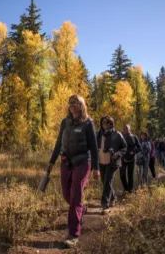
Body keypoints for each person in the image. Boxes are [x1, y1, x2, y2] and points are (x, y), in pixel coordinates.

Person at [47, 94, 100, 248]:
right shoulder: (65, 122)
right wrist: (51, 162)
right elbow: (58, 143)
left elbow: (94, 147)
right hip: (66, 162)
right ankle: (81, 209)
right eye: (70, 102)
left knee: (76, 194)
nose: (72, 105)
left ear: (81, 105)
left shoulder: (88, 123)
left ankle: (73, 234)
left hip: (83, 162)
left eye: (75, 102)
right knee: (66, 194)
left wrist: (96, 168)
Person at [97, 116, 127, 214]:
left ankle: (104, 205)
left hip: (113, 163)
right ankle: (113, 197)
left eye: (106, 122)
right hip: (101, 161)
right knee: (104, 181)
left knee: (107, 181)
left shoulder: (117, 134)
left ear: (111, 123)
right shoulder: (99, 134)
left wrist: (117, 154)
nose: (104, 124)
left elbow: (124, 147)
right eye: (103, 123)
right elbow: (94, 146)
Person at [120, 124, 141, 194]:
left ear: (130, 129)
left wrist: (134, 152)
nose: (126, 130)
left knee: (130, 175)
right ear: (123, 129)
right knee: (122, 175)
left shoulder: (134, 137)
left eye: (127, 128)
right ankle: (126, 189)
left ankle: (130, 190)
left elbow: (139, 147)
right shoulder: (121, 137)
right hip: (123, 159)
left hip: (132, 159)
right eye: (125, 128)